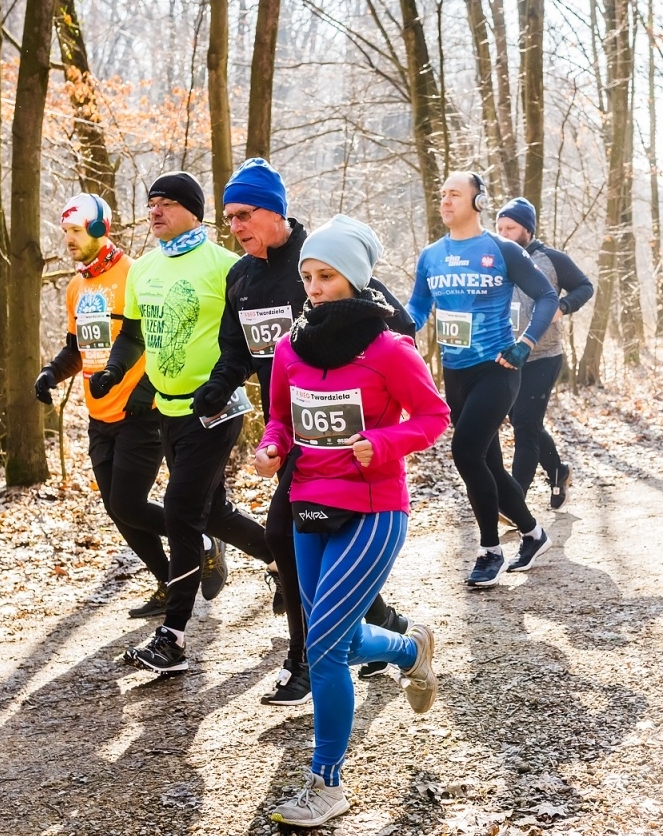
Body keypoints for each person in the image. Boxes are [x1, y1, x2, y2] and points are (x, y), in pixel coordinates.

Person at [196, 159, 416, 705]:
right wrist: (217, 386)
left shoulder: (320, 258)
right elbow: (236, 351)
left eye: (245, 214)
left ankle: (305, 659)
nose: (236, 227)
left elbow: (396, 321)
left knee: (286, 536)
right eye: (228, 218)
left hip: (348, 437)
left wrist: (369, 377)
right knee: (300, 536)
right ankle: (377, 623)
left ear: (276, 211)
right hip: (289, 428)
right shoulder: (240, 276)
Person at [254, 216, 449, 826]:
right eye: (308, 276)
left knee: (323, 648)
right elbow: (281, 419)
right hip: (310, 505)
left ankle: (327, 785)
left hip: (373, 509)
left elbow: (433, 416)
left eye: (327, 276)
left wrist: (385, 443)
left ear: (355, 279)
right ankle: (409, 648)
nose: (313, 286)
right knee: (330, 638)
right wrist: (272, 448)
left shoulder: (389, 349)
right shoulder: (291, 347)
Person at [91, 171, 274, 672]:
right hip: (167, 408)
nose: (155, 211)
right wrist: (114, 369)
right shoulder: (143, 268)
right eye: (151, 203)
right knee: (210, 511)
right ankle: (282, 563)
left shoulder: (227, 266)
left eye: (167, 203)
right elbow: (133, 335)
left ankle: (172, 637)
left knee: (180, 512)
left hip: (216, 408)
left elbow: (248, 341)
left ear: (193, 210)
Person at [34, 194, 227, 620]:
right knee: (119, 510)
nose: (68, 239)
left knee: (128, 504)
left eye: (76, 231)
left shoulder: (132, 273)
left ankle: (201, 543)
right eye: (65, 231)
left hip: (139, 412)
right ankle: (169, 579)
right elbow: (77, 349)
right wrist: (51, 373)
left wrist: (144, 392)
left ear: (100, 229)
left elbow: (146, 335)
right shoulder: (75, 287)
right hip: (98, 415)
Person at [409, 172, 559, 586]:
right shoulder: (431, 256)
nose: (445, 201)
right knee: (488, 462)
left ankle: (490, 549)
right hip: (455, 374)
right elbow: (418, 310)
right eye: (442, 194)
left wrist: (526, 343)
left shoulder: (502, 249)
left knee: (465, 453)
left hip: (499, 369)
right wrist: (397, 329)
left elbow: (546, 296)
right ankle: (533, 532)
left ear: (477, 202)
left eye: (454, 194)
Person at [493, 198, 594, 509]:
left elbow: (584, 286)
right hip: (506, 355)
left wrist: (562, 307)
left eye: (510, 228)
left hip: (543, 355)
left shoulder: (551, 259)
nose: (503, 233)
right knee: (527, 423)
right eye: (498, 228)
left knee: (524, 425)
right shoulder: (494, 259)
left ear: (528, 230)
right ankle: (559, 472)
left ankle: (514, 503)